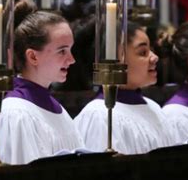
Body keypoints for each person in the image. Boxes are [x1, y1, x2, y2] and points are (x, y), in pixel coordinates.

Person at [0, 0, 84, 164]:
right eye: (62, 51)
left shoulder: (58, 110)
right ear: (33, 56)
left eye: (70, 50)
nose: (72, 60)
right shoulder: (14, 115)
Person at [74, 21, 174, 154]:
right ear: (115, 60)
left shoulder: (154, 108)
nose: (155, 58)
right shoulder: (99, 115)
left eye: (152, 50)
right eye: (143, 52)